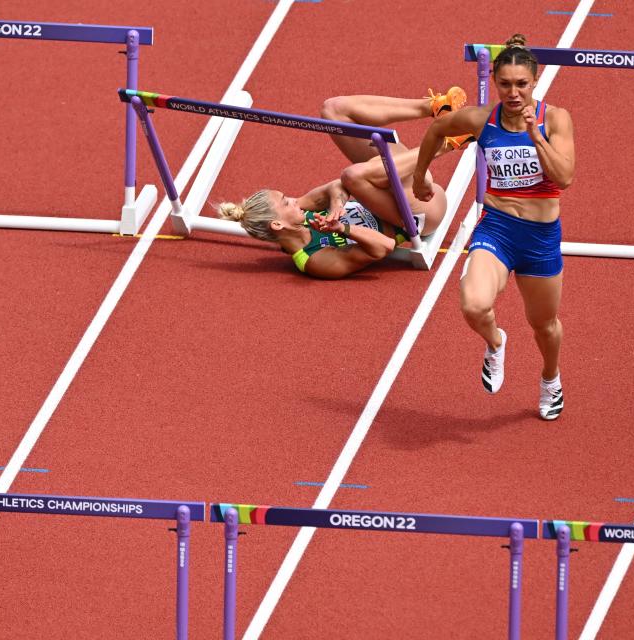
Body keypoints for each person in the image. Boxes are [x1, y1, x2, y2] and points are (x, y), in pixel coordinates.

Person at [412, 34, 575, 420]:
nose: (513, 93)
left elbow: (565, 178)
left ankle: (550, 378)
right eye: (505, 84)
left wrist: (536, 138)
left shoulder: (556, 118)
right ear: (496, 83)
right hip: (497, 228)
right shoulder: (482, 119)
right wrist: (421, 175)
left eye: (521, 84)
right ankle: (495, 341)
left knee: (544, 324)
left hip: (539, 238)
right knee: (473, 304)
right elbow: (437, 129)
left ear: (535, 82)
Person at [217, 89, 471, 279]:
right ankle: (446, 142)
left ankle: (436, 107)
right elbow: (385, 247)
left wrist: (336, 204)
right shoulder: (314, 259)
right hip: (419, 212)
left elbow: (334, 187)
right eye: (286, 202)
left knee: (333, 110)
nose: (294, 200)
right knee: (353, 176)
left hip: (393, 184)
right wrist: (341, 228)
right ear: (277, 223)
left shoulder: (301, 214)